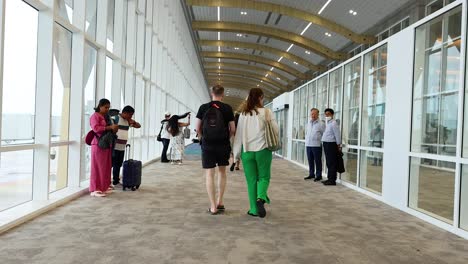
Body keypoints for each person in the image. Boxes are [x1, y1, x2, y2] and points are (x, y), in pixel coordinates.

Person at [233, 88, 276, 218]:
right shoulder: (267, 112)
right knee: (264, 177)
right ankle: (261, 198)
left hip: (247, 152)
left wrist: (236, 155)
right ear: (260, 98)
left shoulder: (243, 114)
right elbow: (276, 130)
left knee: (251, 181)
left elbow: (238, 135)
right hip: (263, 150)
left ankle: (253, 209)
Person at [195, 85, 235, 215]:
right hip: (223, 144)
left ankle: (213, 206)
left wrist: (202, 139)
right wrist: (226, 138)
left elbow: (197, 128)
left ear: (211, 93)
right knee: (222, 172)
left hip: (207, 145)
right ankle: (220, 201)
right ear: (222, 94)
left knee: (209, 174)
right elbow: (233, 129)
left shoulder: (203, 107)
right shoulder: (227, 108)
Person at [89, 98, 118, 197]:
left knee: (105, 166)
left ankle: (104, 186)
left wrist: (113, 129)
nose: (107, 109)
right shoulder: (95, 116)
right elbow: (96, 128)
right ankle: (95, 188)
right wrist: (109, 128)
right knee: (97, 166)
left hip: (106, 143)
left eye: (108, 108)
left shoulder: (105, 116)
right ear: (100, 106)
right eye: (105, 107)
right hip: (97, 144)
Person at [111, 105, 141, 186]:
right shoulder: (116, 118)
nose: (131, 116)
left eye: (132, 115)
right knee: (111, 164)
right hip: (114, 146)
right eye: (130, 114)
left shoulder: (128, 121)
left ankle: (116, 181)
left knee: (118, 164)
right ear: (124, 113)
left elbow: (138, 126)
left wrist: (132, 121)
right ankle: (108, 181)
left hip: (122, 147)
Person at [321, 108, 342, 186]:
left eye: (328, 114)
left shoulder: (334, 123)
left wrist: (338, 145)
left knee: (332, 162)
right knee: (328, 162)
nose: (327, 116)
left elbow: (337, 135)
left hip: (331, 144)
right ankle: (329, 178)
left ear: (332, 115)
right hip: (326, 144)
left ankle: (332, 180)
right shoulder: (328, 123)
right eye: (326, 114)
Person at [304, 108, 325, 181]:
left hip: (316, 145)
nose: (313, 115)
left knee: (317, 161)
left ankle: (319, 175)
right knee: (310, 160)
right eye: (312, 114)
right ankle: (311, 174)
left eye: (314, 114)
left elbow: (324, 134)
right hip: (308, 145)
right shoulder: (308, 123)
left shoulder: (321, 124)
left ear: (318, 114)